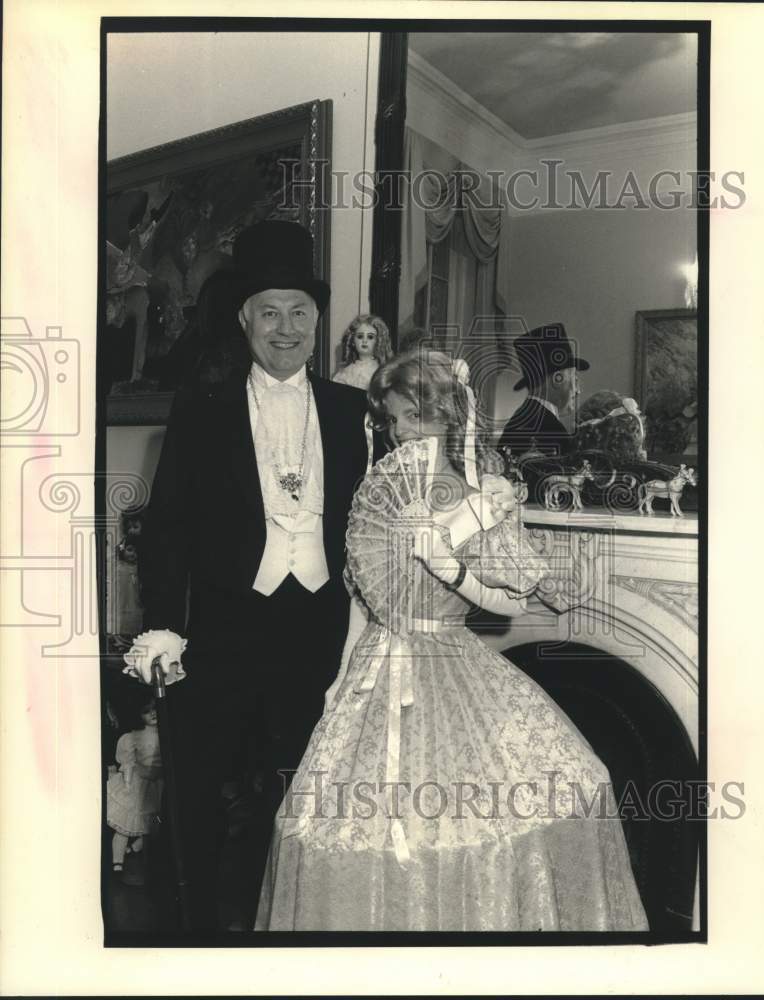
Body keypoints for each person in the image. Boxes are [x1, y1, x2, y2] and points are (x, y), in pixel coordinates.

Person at [255, 350, 648, 931]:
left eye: (415, 416)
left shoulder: (482, 495)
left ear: (449, 415)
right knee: (342, 822)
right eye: (392, 421)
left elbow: (523, 600)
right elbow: (365, 601)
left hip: (452, 657)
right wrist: (339, 679)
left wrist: (451, 566)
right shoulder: (379, 493)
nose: (401, 433)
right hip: (377, 668)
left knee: (566, 785)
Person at [122, 220, 382, 932]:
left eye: (300, 311)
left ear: (318, 319)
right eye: (269, 311)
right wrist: (162, 629)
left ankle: (286, 921)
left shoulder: (351, 409)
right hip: (221, 627)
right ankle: (192, 929)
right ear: (244, 319)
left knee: (296, 789)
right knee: (199, 789)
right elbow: (167, 527)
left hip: (316, 628)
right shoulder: (200, 409)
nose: (286, 327)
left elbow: (373, 521)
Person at [498, 323, 590, 461]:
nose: (578, 390)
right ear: (557, 379)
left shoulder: (523, 419)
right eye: (575, 380)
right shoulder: (549, 430)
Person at [106, 697, 162, 874]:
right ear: (139, 715)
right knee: (126, 822)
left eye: (154, 709)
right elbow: (128, 762)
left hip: (158, 783)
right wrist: (128, 784)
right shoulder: (133, 737)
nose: (152, 713)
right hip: (139, 782)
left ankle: (137, 849)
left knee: (152, 825)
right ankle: (117, 862)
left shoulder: (165, 733)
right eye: (146, 711)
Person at [332, 313, 393, 389]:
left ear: (378, 341)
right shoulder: (346, 373)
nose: (364, 341)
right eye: (360, 336)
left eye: (370, 337)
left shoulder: (382, 371)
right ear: (353, 341)